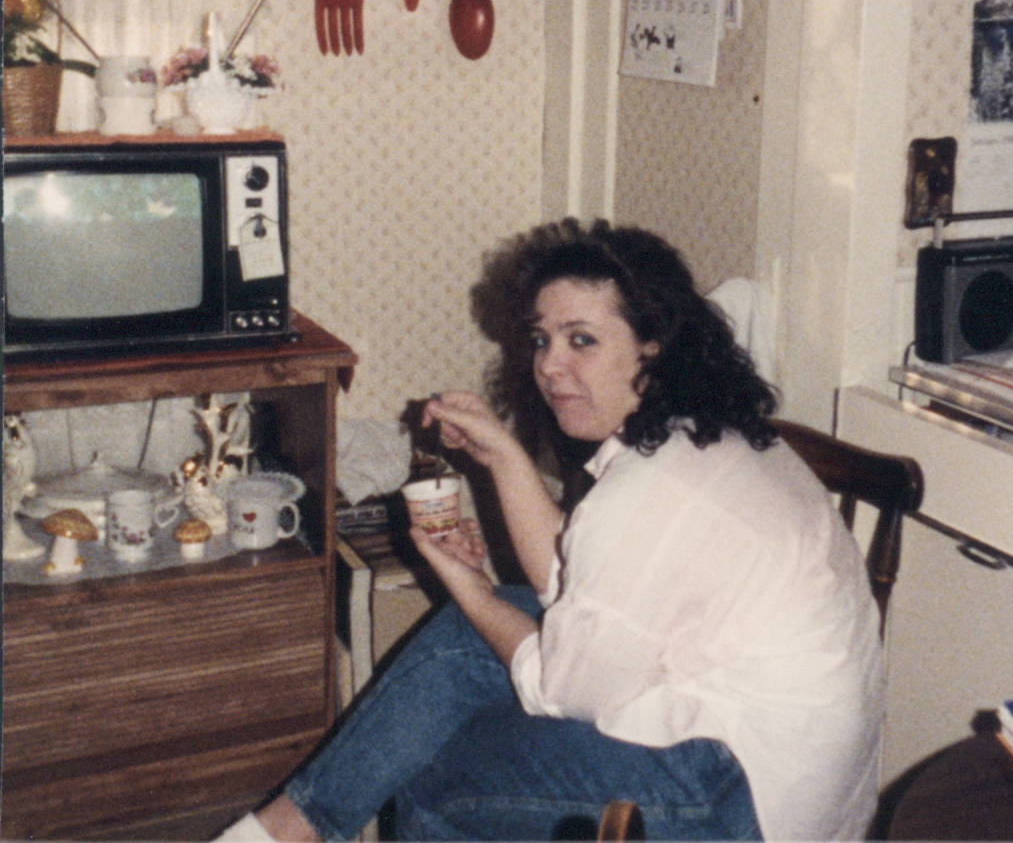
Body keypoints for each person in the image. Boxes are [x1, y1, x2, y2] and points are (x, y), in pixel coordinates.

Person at [219, 219, 884, 842]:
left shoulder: (651, 491)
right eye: (543, 339)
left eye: (581, 339)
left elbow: (562, 688)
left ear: (653, 344)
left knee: (434, 768)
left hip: (746, 801)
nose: (549, 364)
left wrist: (470, 587)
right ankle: (286, 827)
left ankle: (283, 831)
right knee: (465, 644)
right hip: (779, 758)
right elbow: (582, 588)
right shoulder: (712, 436)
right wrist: (504, 455)